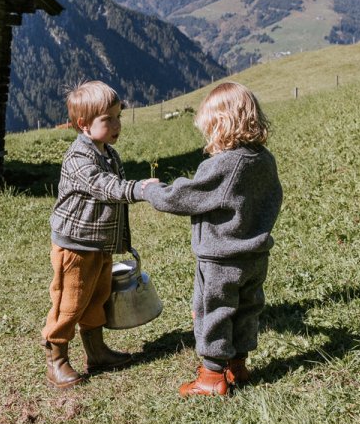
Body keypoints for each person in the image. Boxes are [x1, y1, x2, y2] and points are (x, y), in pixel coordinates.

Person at [143, 82, 282, 396]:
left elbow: (187, 197)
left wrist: (151, 190)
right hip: (255, 255)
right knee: (247, 309)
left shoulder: (225, 165)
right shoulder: (263, 159)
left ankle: (211, 377)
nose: (209, 138)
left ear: (222, 126)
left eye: (210, 130)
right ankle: (238, 367)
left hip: (221, 258)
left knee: (213, 311)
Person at [41, 80, 156, 388]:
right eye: (108, 120)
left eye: (118, 116)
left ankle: (97, 351)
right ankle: (56, 359)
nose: (117, 125)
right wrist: (138, 189)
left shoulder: (108, 152)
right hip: (75, 246)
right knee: (70, 301)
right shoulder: (79, 158)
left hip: (98, 243)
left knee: (97, 297)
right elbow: (103, 187)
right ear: (83, 125)